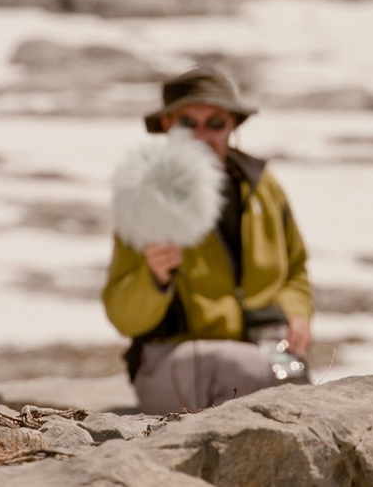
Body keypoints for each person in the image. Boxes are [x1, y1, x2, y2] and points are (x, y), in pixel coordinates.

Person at [102, 66, 313, 414]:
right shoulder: (143, 196)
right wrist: (154, 279)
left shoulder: (263, 187)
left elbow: (295, 270)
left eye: (215, 123)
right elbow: (122, 316)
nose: (202, 134)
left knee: (284, 385)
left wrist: (296, 314)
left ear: (232, 126)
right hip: (170, 358)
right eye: (188, 122)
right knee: (243, 370)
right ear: (168, 126)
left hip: (265, 350)